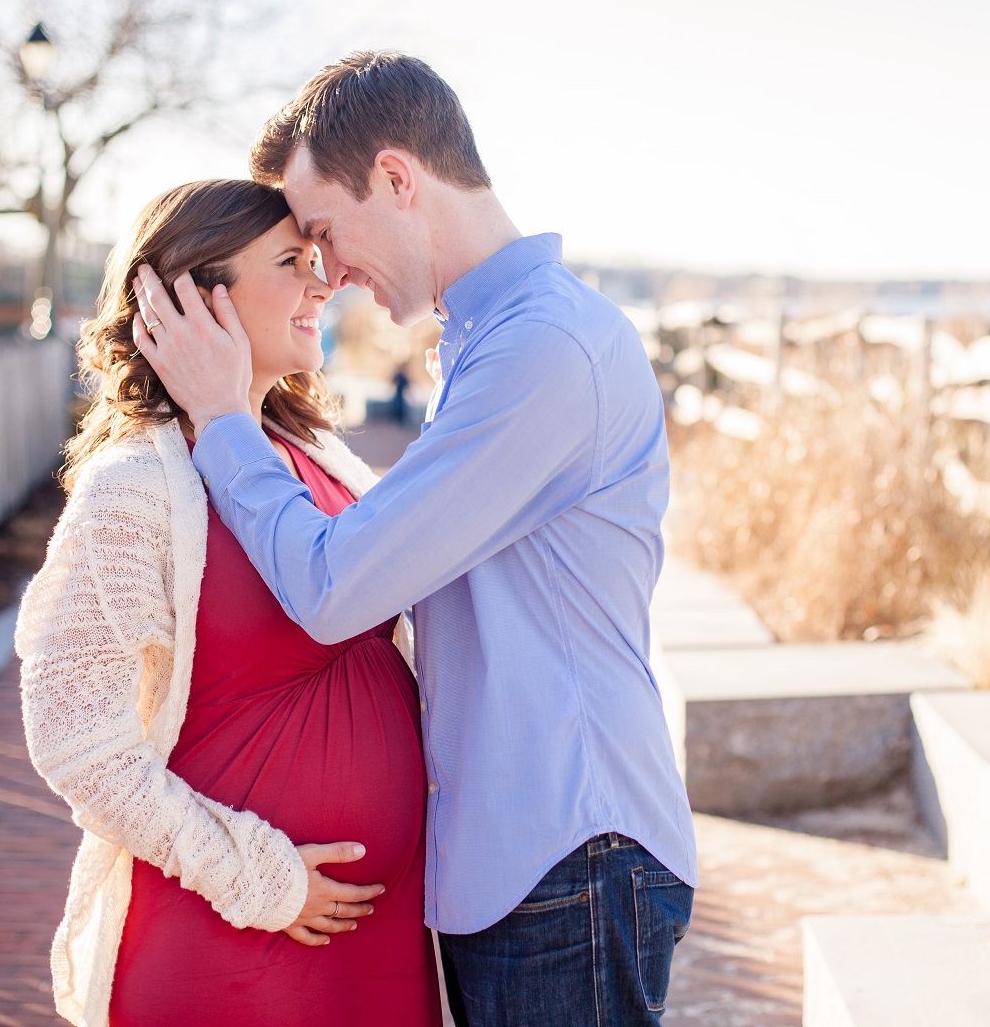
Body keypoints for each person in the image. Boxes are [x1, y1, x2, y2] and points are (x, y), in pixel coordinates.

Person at [133, 51, 698, 1026]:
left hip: (568, 851)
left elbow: (338, 585)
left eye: (322, 232)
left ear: (397, 179)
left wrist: (226, 420)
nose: (327, 271)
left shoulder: (542, 350)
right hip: (523, 860)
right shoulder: (492, 339)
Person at [15, 179, 440, 1027]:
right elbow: (74, 738)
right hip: (234, 948)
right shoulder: (133, 489)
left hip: (375, 944)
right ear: (191, 299)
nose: (323, 285)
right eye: (292, 263)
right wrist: (259, 878)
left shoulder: (318, 457)